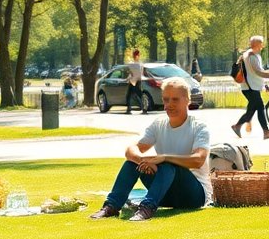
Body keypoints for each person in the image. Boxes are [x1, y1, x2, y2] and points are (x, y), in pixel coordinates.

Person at [89, 77, 211, 222]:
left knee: (168, 165)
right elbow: (131, 149)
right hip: (165, 193)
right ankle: (112, 206)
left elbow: (198, 160)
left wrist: (164, 158)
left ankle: (146, 208)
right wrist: (143, 161)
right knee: (132, 163)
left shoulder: (199, 127)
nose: (169, 105)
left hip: (194, 196)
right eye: (166, 100)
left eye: (175, 100)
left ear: (187, 100)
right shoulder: (159, 124)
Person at [232, 36, 269, 139]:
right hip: (250, 88)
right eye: (261, 43)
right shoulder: (251, 56)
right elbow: (257, 72)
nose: (262, 45)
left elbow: (255, 73)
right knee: (260, 108)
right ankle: (266, 132)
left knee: (251, 111)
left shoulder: (252, 55)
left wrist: (265, 84)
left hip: (251, 87)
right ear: (258, 45)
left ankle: (237, 126)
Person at [125, 49, 146, 114]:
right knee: (137, 95)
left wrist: (128, 78)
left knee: (132, 95)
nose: (134, 56)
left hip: (134, 81)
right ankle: (143, 109)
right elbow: (140, 74)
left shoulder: (133, 64)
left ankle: (130, 109)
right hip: (137, 81)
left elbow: (132, 73)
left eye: (134, 55)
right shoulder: (140, 64)